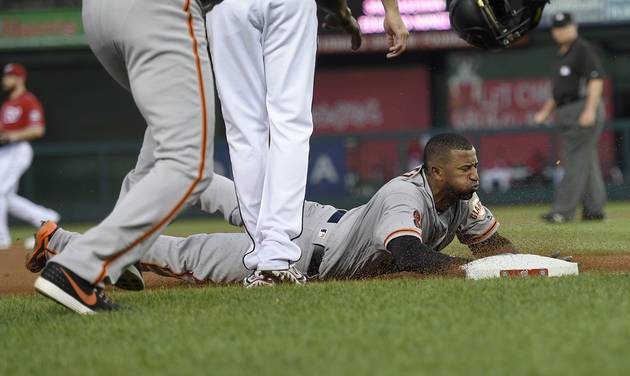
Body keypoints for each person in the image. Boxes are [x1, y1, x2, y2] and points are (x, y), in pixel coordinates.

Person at [29, 134, 519, 286]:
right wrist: (470, 270)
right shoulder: (404, 196)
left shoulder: (461, 200)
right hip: (301, 254)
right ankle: (63, 245)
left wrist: (507, 259)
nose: (474, 175)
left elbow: (494, 243)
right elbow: (411, 255)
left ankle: (160, 176)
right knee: (187, 256)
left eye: (474, 166)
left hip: (313, 218)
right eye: (464, 168)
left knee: (223, 191)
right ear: (435, 172)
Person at [206, 0, 408, 287]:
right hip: (288, 6)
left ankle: (266, 254)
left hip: (225, 8)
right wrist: (391, 10)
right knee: (290, 122)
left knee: (244, 129)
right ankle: (275, 255)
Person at [33, 0, 218, 314]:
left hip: (97, 14)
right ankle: (80, 267)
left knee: (167, 132)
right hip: (159, 10)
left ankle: (124, 255)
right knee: (189, 164)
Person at [534, 12, 607, 223]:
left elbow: (596, 80)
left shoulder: (582, 48)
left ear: (574, 27)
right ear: (553, 32)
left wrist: (590, 110)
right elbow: (559, 92)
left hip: (582, 107)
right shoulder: (561, 54)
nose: (562, 30)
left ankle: (563, 211)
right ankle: (595, 209)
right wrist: (545, 111)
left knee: (575, 160)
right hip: (568, 110)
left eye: (565, 26)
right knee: (586, 160)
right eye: (557, 28)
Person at [0, 63, 60, 250]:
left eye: (9, 76)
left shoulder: (28, 100)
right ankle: (47, 218)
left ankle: (1, 239)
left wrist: (12, 135)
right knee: (7, 198)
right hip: (6, 150)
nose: (5, 79)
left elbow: (38, 129)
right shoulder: (8, 103)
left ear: (20, 79)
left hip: (19, 149)